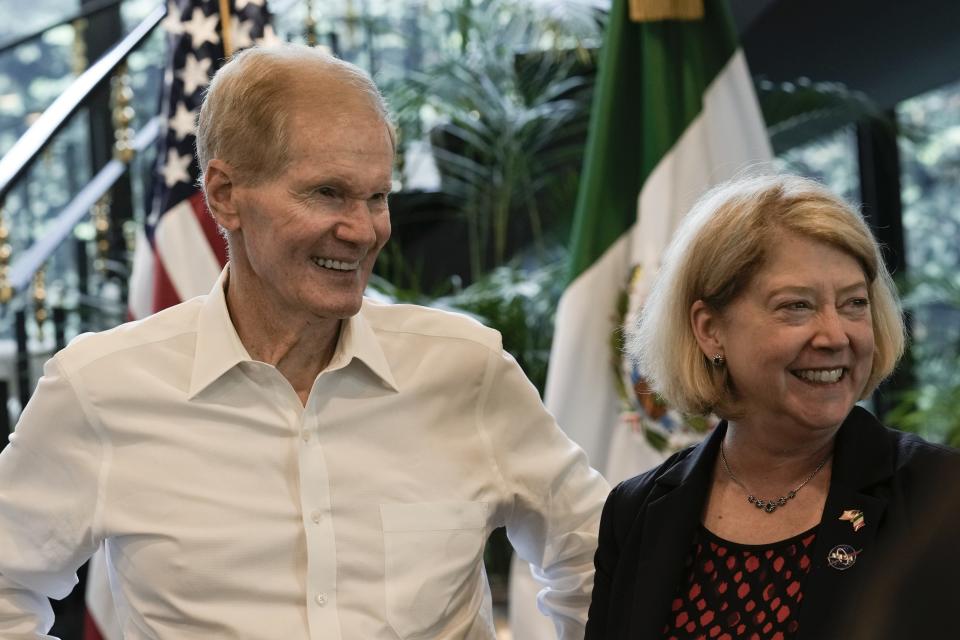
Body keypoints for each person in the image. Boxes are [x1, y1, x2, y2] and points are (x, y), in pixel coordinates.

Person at [0, 44, 609, 639]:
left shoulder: (465, 369)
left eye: (377, 197)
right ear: (224, 195)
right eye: (327, 193)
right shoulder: (100, 388)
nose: (364, 230)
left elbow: (600, 561)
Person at [584, 174, 960, 639]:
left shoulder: (940, 496)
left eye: (854, 303)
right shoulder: (636, 511)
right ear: (709, 329)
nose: (835, 336)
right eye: (796, 306)